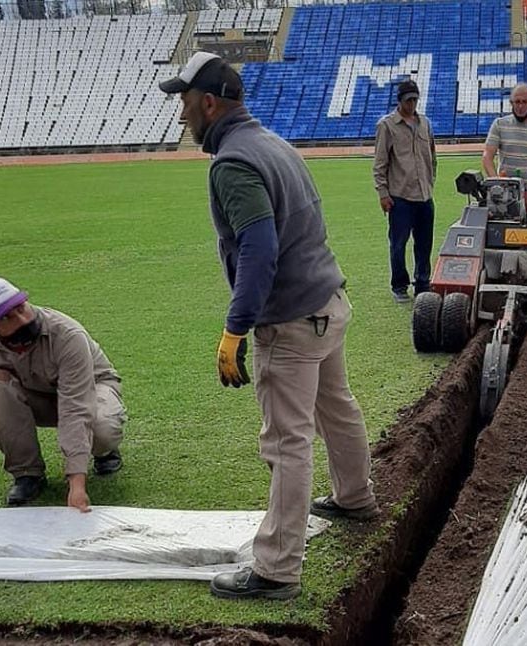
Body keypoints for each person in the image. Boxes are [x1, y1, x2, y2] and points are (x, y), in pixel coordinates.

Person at [159, 52, 378, 601]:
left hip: (291, 321)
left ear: (208, 103)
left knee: (286, 443)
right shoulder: (274, 142)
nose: (183, 114)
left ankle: (277, 569)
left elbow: (259, 248)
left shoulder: (232, 162)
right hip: (328, 301)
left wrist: (236, 328)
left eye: (186, 103)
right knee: (338, 408)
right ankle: (355, 496)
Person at [0, 277, 125, 511]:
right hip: (35, 395)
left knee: (101, 429)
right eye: (6, 317)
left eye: (21, 308)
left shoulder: (68, 335)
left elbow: (76, 407)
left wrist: (77, 483)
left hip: (91, 388)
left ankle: (104, 451)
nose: (22, 320)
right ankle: (27, 473)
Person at [373, 78, 437, 303]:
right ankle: (399, 285)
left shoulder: (425, 123)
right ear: (399, 101)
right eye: (408, 100)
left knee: (424, 243)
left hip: (424, 196)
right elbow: (380, 163)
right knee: (398, 244)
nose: (412, 104)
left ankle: (422, 283)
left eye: (415, 99)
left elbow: (432, 156)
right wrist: (383, 193)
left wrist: (430, 182)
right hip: (400, 197)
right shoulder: (387, 125)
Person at [481, 82, 527, 215]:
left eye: (524, 102)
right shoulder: (499, 125)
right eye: (517, 102)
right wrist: (497, 183)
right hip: (505, 194)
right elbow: (487, 157)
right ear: (511, 102)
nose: (520, 106)